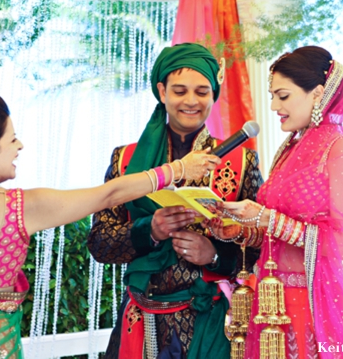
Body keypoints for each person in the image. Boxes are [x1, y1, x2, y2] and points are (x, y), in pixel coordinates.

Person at [0, 93, 219, 359]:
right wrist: (179, 168)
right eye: (12, 139)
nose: (19, 145)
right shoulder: (19, 208)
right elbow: (109, 194)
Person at [211, 46, 343, 358]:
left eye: (282, 96)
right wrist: (237, 228)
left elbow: (342, 242)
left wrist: (265, 218)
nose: (273, 106)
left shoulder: (341, 149)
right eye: (273, 96)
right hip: (270, 300)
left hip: (313, 303)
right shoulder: (290, 148)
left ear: (318, 93)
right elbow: (274, 236)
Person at [87, 43, 263, 359]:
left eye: (202, 91)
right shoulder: (125, 161)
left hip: (211, 324)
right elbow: (100, 243)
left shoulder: (242, 161)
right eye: (180, 90)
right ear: (162, 91)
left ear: (214, 94)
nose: (191, 101)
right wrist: (149, 231)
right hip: (140, 321)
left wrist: (214, 256)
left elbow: (262, 247)